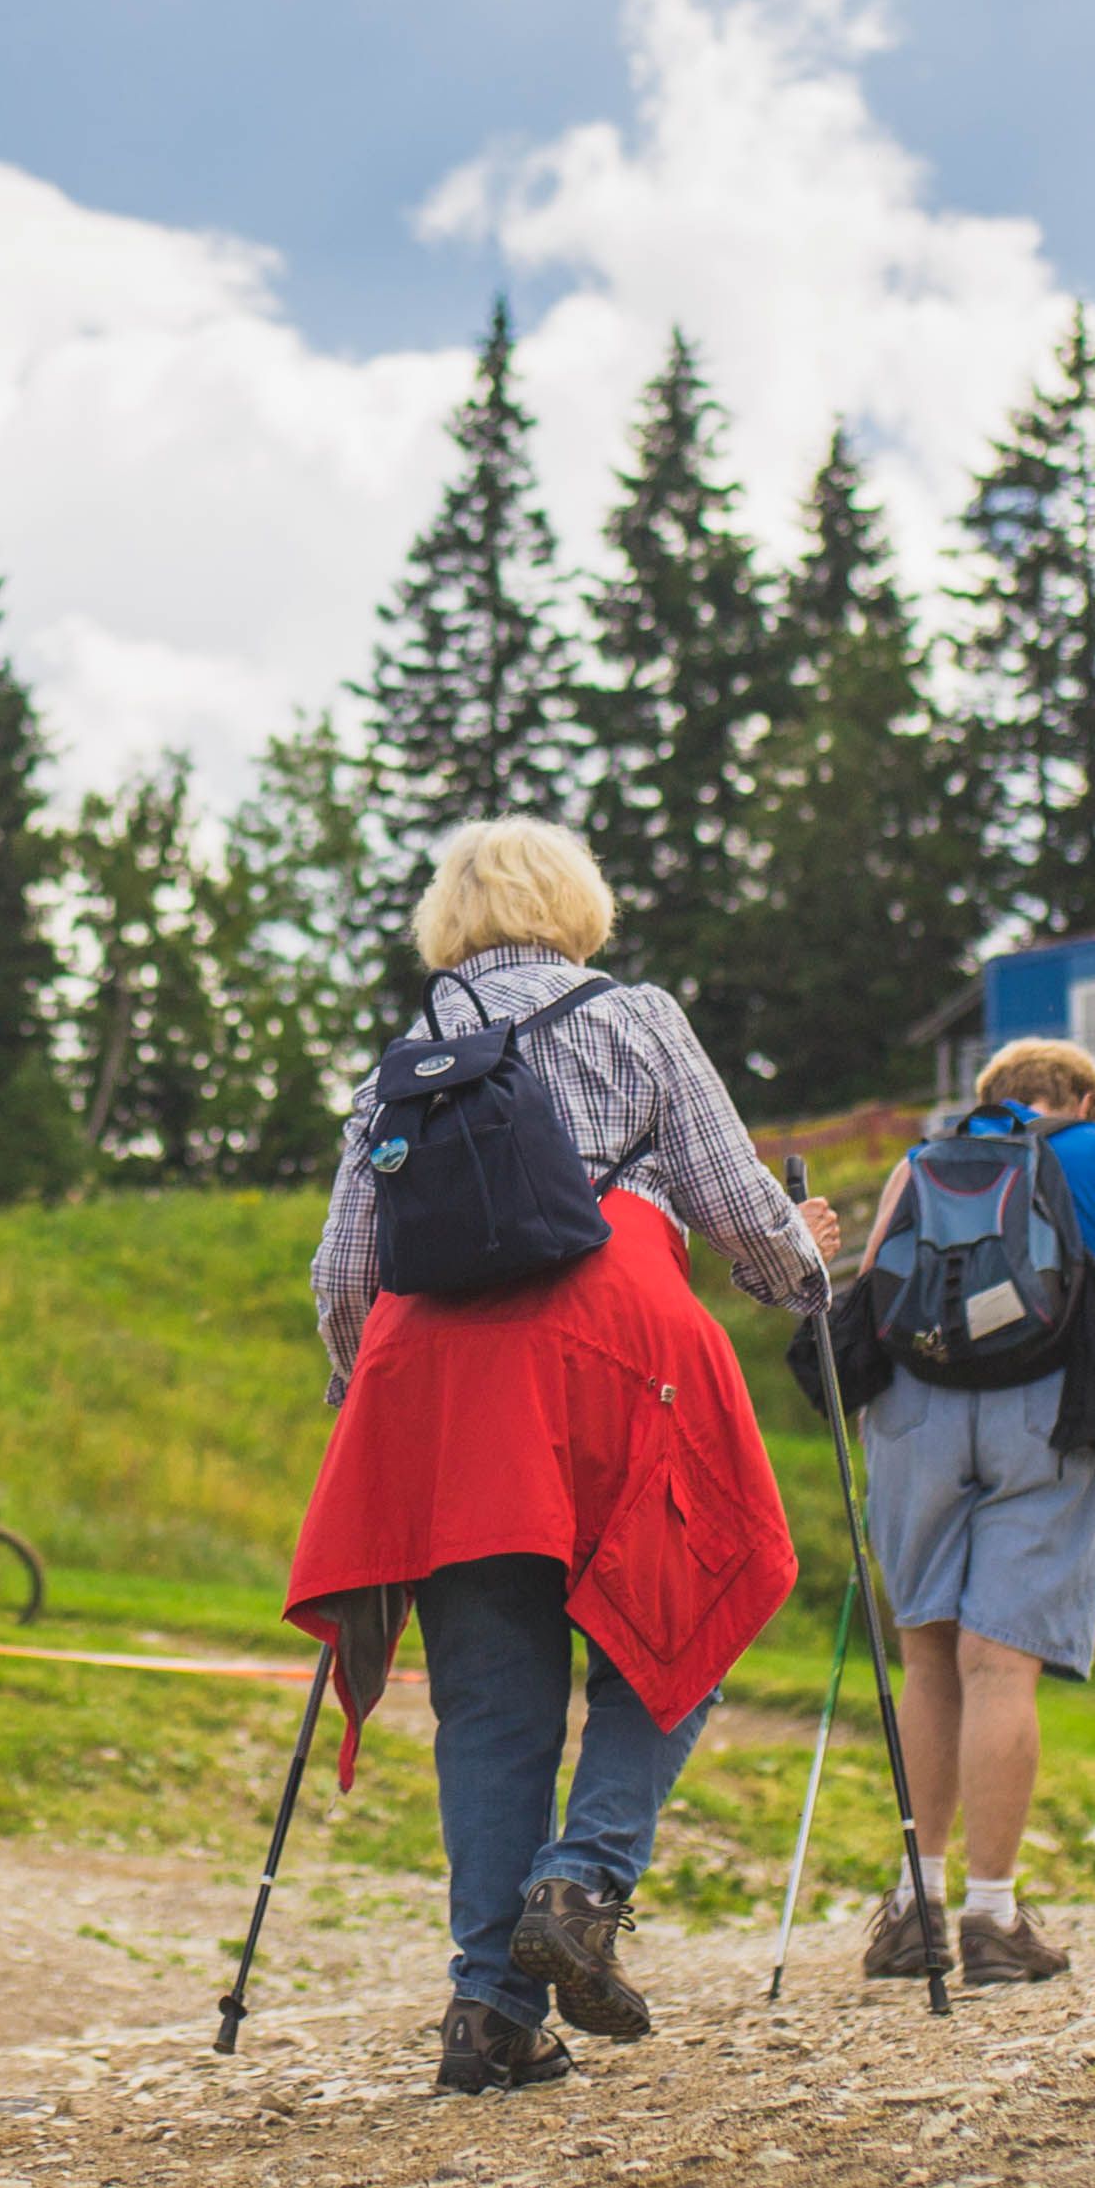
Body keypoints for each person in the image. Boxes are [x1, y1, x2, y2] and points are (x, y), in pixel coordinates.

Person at [286, 818, 851, 2097]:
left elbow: (342, 1276)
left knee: (490, 1705)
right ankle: (585, 1879)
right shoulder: (635, 1015)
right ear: (577, 908)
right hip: (621, 1364)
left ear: (450, 924)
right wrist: (805, 1274)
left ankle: (489, 2014)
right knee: (690, 1608)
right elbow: (735, 1204)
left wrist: (360, 1395)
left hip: (442, 1394)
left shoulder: (404, 1066)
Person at [847, 1039, 1095, 1989]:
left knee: (928, 1653)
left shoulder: (924, 1160)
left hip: (913, 1411)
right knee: (1000, 1660)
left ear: (991, 1103)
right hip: (1048, 1410)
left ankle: (912, 1905)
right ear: (1084, 1100)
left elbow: (871, 1291)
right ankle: (990, 1915)